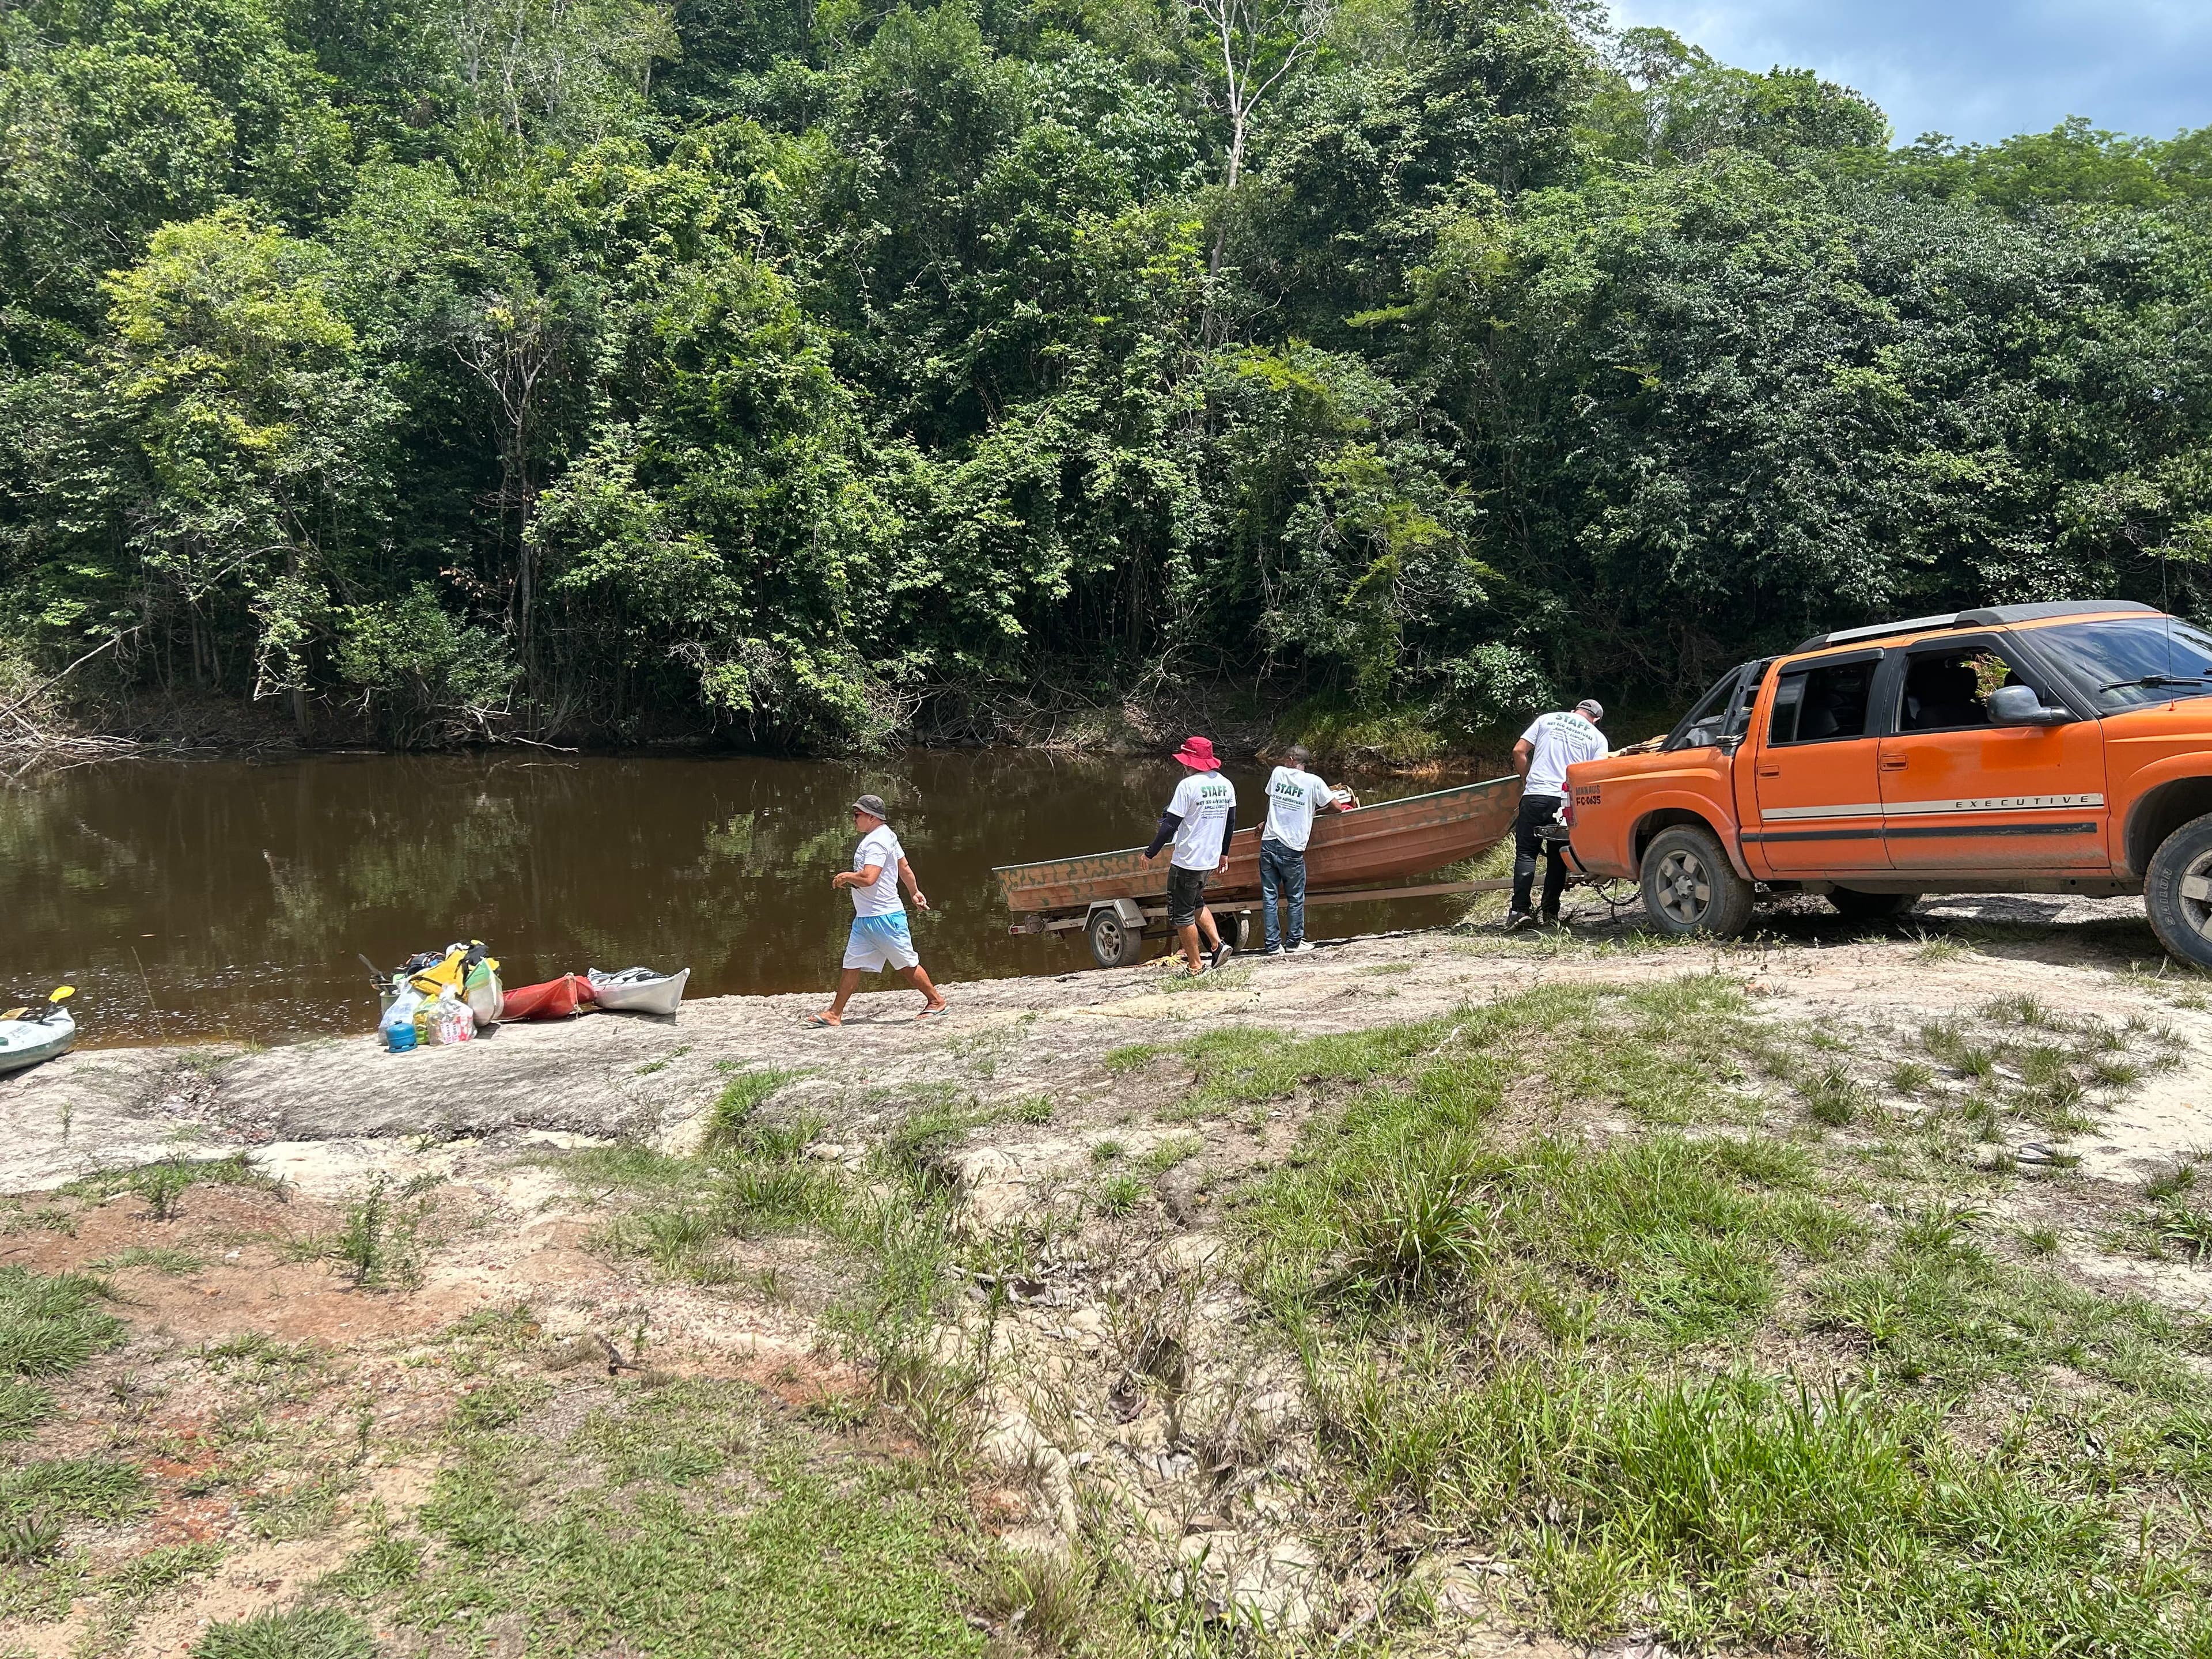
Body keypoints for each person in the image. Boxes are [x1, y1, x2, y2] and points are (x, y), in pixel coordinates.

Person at [807, 794, 949, 1025]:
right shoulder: (888, 835)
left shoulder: (875, 842)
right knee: (851, 963)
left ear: (871, 817)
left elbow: (868, 878)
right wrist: (914, 892)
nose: (854, 820)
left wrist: (846, 876)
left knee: (905, 964)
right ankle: (835, 1014)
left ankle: (937, 1001)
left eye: (857, 815)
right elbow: (904, 867)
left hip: (884, 917)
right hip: (866, 918)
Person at [1506, 698, 1608, 930]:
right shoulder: (1597, 737)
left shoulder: (1547, 719)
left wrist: (1526, 778)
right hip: (1565, 801)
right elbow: (1595, 775)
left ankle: (1520, 911)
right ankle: (1551, 913)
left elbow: (1519, 751)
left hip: (1536, 796)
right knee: (1557, 858)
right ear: (1597, 720)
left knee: (1526, 853)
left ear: (1574, 711)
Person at [1143, 736, 1237, 976]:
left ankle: (1195, 965)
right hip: (1209, 859)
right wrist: (1224, 853)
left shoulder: (1188, 786)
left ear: (1189, 762)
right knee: (1196, 902)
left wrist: (1150, 853)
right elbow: (1230, 822)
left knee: (1181, 914)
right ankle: (1218, 945)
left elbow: (1169, 825)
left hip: (1187, 860)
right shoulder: (1226, 784)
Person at [1257, 745, 1358, 955]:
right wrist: (1314, 810)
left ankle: (1273, 946)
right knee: (1295, 897)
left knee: (1270, 897)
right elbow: (1338, 808)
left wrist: (1266, 821)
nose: (1284, 762)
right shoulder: (1314, 782)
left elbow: (1273, 802)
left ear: (1293, 760)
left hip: (1269, 842)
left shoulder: (1277, 774)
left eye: (1286, 759)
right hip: (1292, 847)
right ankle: (1294, 942)